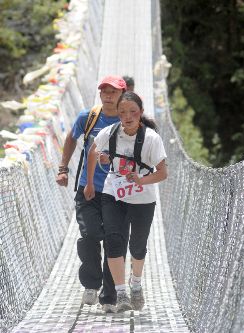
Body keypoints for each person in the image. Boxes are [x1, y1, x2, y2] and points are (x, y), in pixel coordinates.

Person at [84, 91, 168, 312]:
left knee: (138, 247)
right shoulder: (109, 133)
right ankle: (121, 293)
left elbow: (162, 173)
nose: (127, 116)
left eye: (132, 112)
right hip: (114, 195)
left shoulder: (151, 138)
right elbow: (92, 152)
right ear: (118, 114)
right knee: (113, 240)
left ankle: (136, 284)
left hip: (143, 199)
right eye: (122, 113)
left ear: (140, 113)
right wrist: (90, 182)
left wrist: (142, 179)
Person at [56, 75, 128, 313]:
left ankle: (109, 297)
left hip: (117, 193)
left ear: (122, 95)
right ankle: (91, 284)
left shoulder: (129, 120)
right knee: (89, 235)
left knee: (113, 241)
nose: (108, 96)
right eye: (104, 92)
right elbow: (71, 139)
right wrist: (63, 169)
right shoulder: (88, 118)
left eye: (113, 92)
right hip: (87, 189)